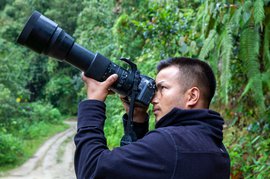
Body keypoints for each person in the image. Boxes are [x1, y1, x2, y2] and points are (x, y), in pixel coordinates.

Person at [74, 57, 231, 179]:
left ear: (192, 96)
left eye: (162, 88)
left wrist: (93, 103)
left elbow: (92, 170)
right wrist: (137, 120)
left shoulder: (170, 143)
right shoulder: (217, 148)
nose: (154, 99)